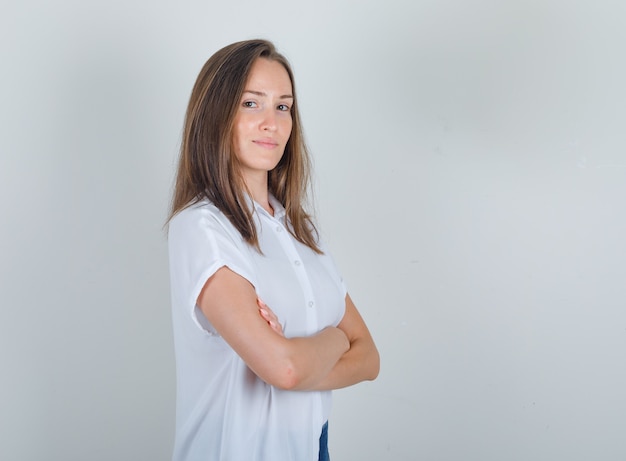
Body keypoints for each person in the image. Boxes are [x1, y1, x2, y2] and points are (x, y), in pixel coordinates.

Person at [167, 39, 379, 461]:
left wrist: (302, 360)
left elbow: (369, 358)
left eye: (283, 107)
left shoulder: (300, 232)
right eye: (251, 104)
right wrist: (335, 338)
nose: (272, 122)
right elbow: (284, 368)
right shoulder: (202, 227)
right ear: (215, 115)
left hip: (312, 446)